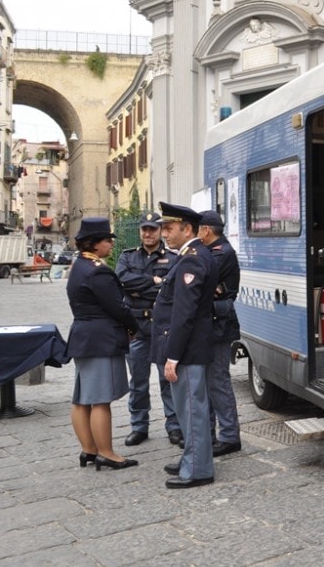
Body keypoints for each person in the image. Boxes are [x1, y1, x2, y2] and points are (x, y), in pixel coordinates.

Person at [152, 202, 219, 488]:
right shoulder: (193, 255)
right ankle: (193, 456)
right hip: (192, 346)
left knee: (192, 408)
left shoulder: (192, 258)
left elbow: (184, 313)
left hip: (188, 349)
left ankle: (198, 469)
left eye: (169, 228)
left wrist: (173, 355)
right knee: (189, 407)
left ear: (187, 228)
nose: (164, 234)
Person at [65, 217, 139, 471]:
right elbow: (117, 307)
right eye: (107, 240)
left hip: (83, 336)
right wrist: (134, 327)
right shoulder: (98, 270)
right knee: (100, 400)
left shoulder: (80, 265)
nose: (110, 244)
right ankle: (106, 453)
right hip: (101, 338)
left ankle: (89, 449)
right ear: (95, 244)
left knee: (83, 399)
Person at [116, 211, 183, 447]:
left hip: (163, 328)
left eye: (152, 229)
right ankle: (139, 426)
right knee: (138, 381)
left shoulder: (174, 259)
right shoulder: (127, 258)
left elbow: (171, 290)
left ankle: (174, 426)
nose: (147, 233)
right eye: (144, 229)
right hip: (137, 328)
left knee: (168, 379)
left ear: (160, 231)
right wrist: (154, 283)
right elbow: (123, 281)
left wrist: (142, 287)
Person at [198, 210, 242, 456]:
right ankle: (211, 433)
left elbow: (200, 280)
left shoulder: (222, 252)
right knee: (208, 382)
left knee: (218, 382)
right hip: (211, 323)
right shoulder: (211, 251)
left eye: (197, 229)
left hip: (220, 323)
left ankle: (229, 436)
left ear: (206, 230)